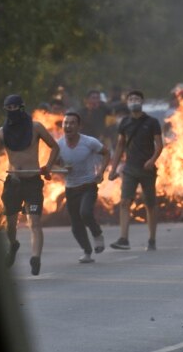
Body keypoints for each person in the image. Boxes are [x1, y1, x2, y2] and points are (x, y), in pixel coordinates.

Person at [0, 94, 60, 275]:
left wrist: (48, 167)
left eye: (15, 108)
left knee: (34, 222)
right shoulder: (2, 132)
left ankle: (36, 257)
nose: (12, 111)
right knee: (10, 225)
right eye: (8, 109)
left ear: (22, 108)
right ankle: (13, 244)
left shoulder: (36, 128)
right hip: (13, 183)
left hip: (33, 182)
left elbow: (55, 147)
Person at [108, 90, 164, 251]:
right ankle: (123, 238)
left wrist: (152, 160)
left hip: (147, 169)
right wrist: (113, 169)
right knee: (125, 202)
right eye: (131, 99)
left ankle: (152, 239)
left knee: (150, 204)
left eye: (137, 98)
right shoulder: (124, 122)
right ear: (127, 102)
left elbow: (159, 145)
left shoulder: (152, 122)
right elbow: (120, 146)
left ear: (142, 101)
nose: (134, 101)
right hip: (130, 168)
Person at [56, 112, 111, 263]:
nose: (68, 126)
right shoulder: (58, 145)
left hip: (88, 185)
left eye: (72, 123)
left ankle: (97, 234)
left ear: (79, 126)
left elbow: (107, 153)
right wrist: (60, 168)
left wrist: (100, 172)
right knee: (75, 225)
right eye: (66, 123)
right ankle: (87, 251)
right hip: (71, 188)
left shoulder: (89, 142)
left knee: (85, 212)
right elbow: (54, 163)